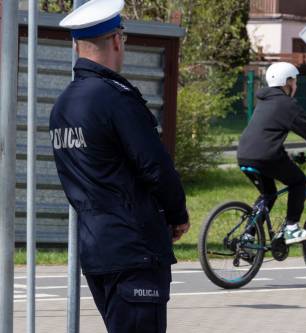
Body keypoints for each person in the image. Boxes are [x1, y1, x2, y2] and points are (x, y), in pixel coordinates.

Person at [50, 0, 189, 331]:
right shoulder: (116, 99)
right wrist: (178, 214)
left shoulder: (62, 106)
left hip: (98, 251)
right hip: (134, 250)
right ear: (115, 40)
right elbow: (154, 165)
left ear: (77, 46)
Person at [237, 62, 306, 244]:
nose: (296, 85)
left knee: (268, 194)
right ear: (286, 82)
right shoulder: (287, 104)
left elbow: (266, 135)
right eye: (294, 81)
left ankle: (248, 236)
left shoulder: (264, 101)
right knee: (298, 181)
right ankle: (291, 228)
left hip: (245, 155)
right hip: (267, 157)